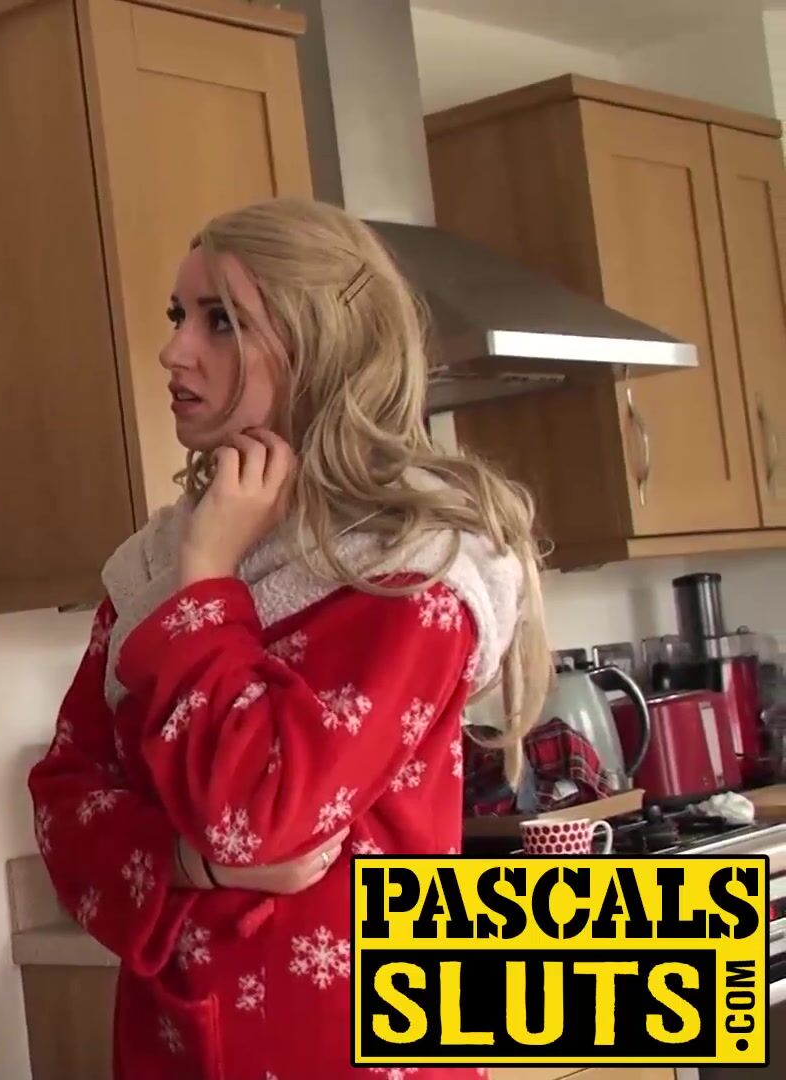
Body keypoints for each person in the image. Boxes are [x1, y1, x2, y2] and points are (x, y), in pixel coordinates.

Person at [28, 197, 549, 1078]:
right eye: (179, 314)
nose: (174, 350)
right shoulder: (152, 564)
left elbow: (260, 820)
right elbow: (63, 800)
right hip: (173, 1043)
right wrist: (189, 863)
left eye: (221, 321)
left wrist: (208, 581)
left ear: (319, 346)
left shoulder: (417, 569)